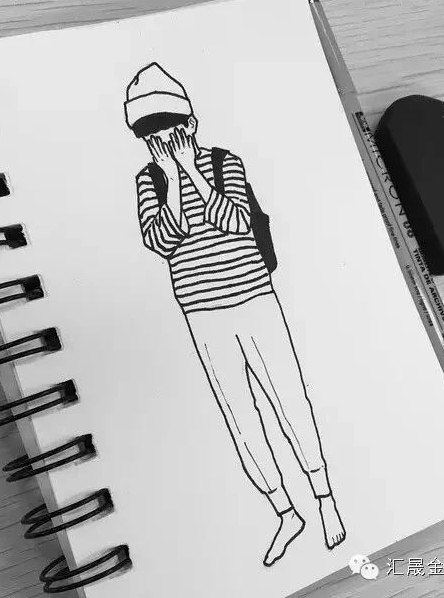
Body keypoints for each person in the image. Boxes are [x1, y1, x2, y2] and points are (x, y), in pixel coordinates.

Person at [125, 62, 346, 566]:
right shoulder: (148, 180)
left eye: (169, 129)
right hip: (202, 311)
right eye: (150, 135)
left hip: (254, 298)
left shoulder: (226, 162)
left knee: (289, 402)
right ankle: (285, 511)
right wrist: (174, 180)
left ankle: (325, 499)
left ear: (190, 123)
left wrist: (193, 174)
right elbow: (161, 239)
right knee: (241, 417)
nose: (161, 141)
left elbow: (236, 219)